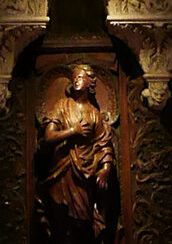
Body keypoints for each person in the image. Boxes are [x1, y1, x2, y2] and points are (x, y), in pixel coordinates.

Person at [33, 63, 120, 244]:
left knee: (82, 224)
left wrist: (105, 169)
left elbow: (104, 145)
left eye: (80, 77)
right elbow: (49, 137)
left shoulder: (94, 114)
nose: (76, 81)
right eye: (74, 78)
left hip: (84, 176)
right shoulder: (62, 106)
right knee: (60, 222)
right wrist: (74, 131)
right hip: (61, 172)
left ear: (90, 82)